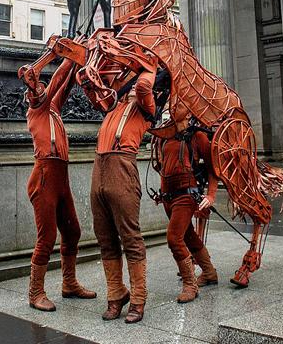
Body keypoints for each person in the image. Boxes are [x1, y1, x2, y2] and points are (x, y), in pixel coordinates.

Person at [24, 58, 96, 311]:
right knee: (47, 238)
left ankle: (69, 284)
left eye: (44, 87)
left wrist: (78, 62)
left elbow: (63, 87)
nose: (43, 89)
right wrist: (70, 59)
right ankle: (35, 293)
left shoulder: (53, 110)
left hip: (60, 176)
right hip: (45, 176)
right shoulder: (37, 110)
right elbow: (56, 84)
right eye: (38, 89)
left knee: (73, 231)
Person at [91, 63, 156, 325]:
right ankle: (116, 294)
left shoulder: (146, 107)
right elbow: (94, 86)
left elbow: (143, 86)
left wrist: (149, 63)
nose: (128, 89)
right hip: (100, 168)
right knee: (104, 236)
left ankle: (138, 299)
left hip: (122, 168)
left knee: (130, 237)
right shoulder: (114, 106)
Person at [152, 128, 220, 303]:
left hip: (186, 194)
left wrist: (211, 195)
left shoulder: (197, 136)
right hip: (168, 197)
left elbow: (214, 168)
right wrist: (162, 194)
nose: (172, 106)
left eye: (178, 103)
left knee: (174, 238)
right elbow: (163, 166)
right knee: (188, 235)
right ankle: (209, 272)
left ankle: (190, 285)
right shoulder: (164, 135)